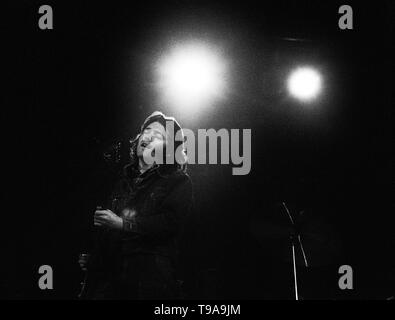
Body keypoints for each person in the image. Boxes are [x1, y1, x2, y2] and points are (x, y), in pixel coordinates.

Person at [78, 111, 193, 299]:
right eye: (146, 131)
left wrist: (123, 224)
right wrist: (94, 259)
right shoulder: (119, 180)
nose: (148, 136)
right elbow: (104, 227)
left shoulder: (177, 181)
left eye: (158, 136)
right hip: (108, 280)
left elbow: (169, 223)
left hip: (148, 280)